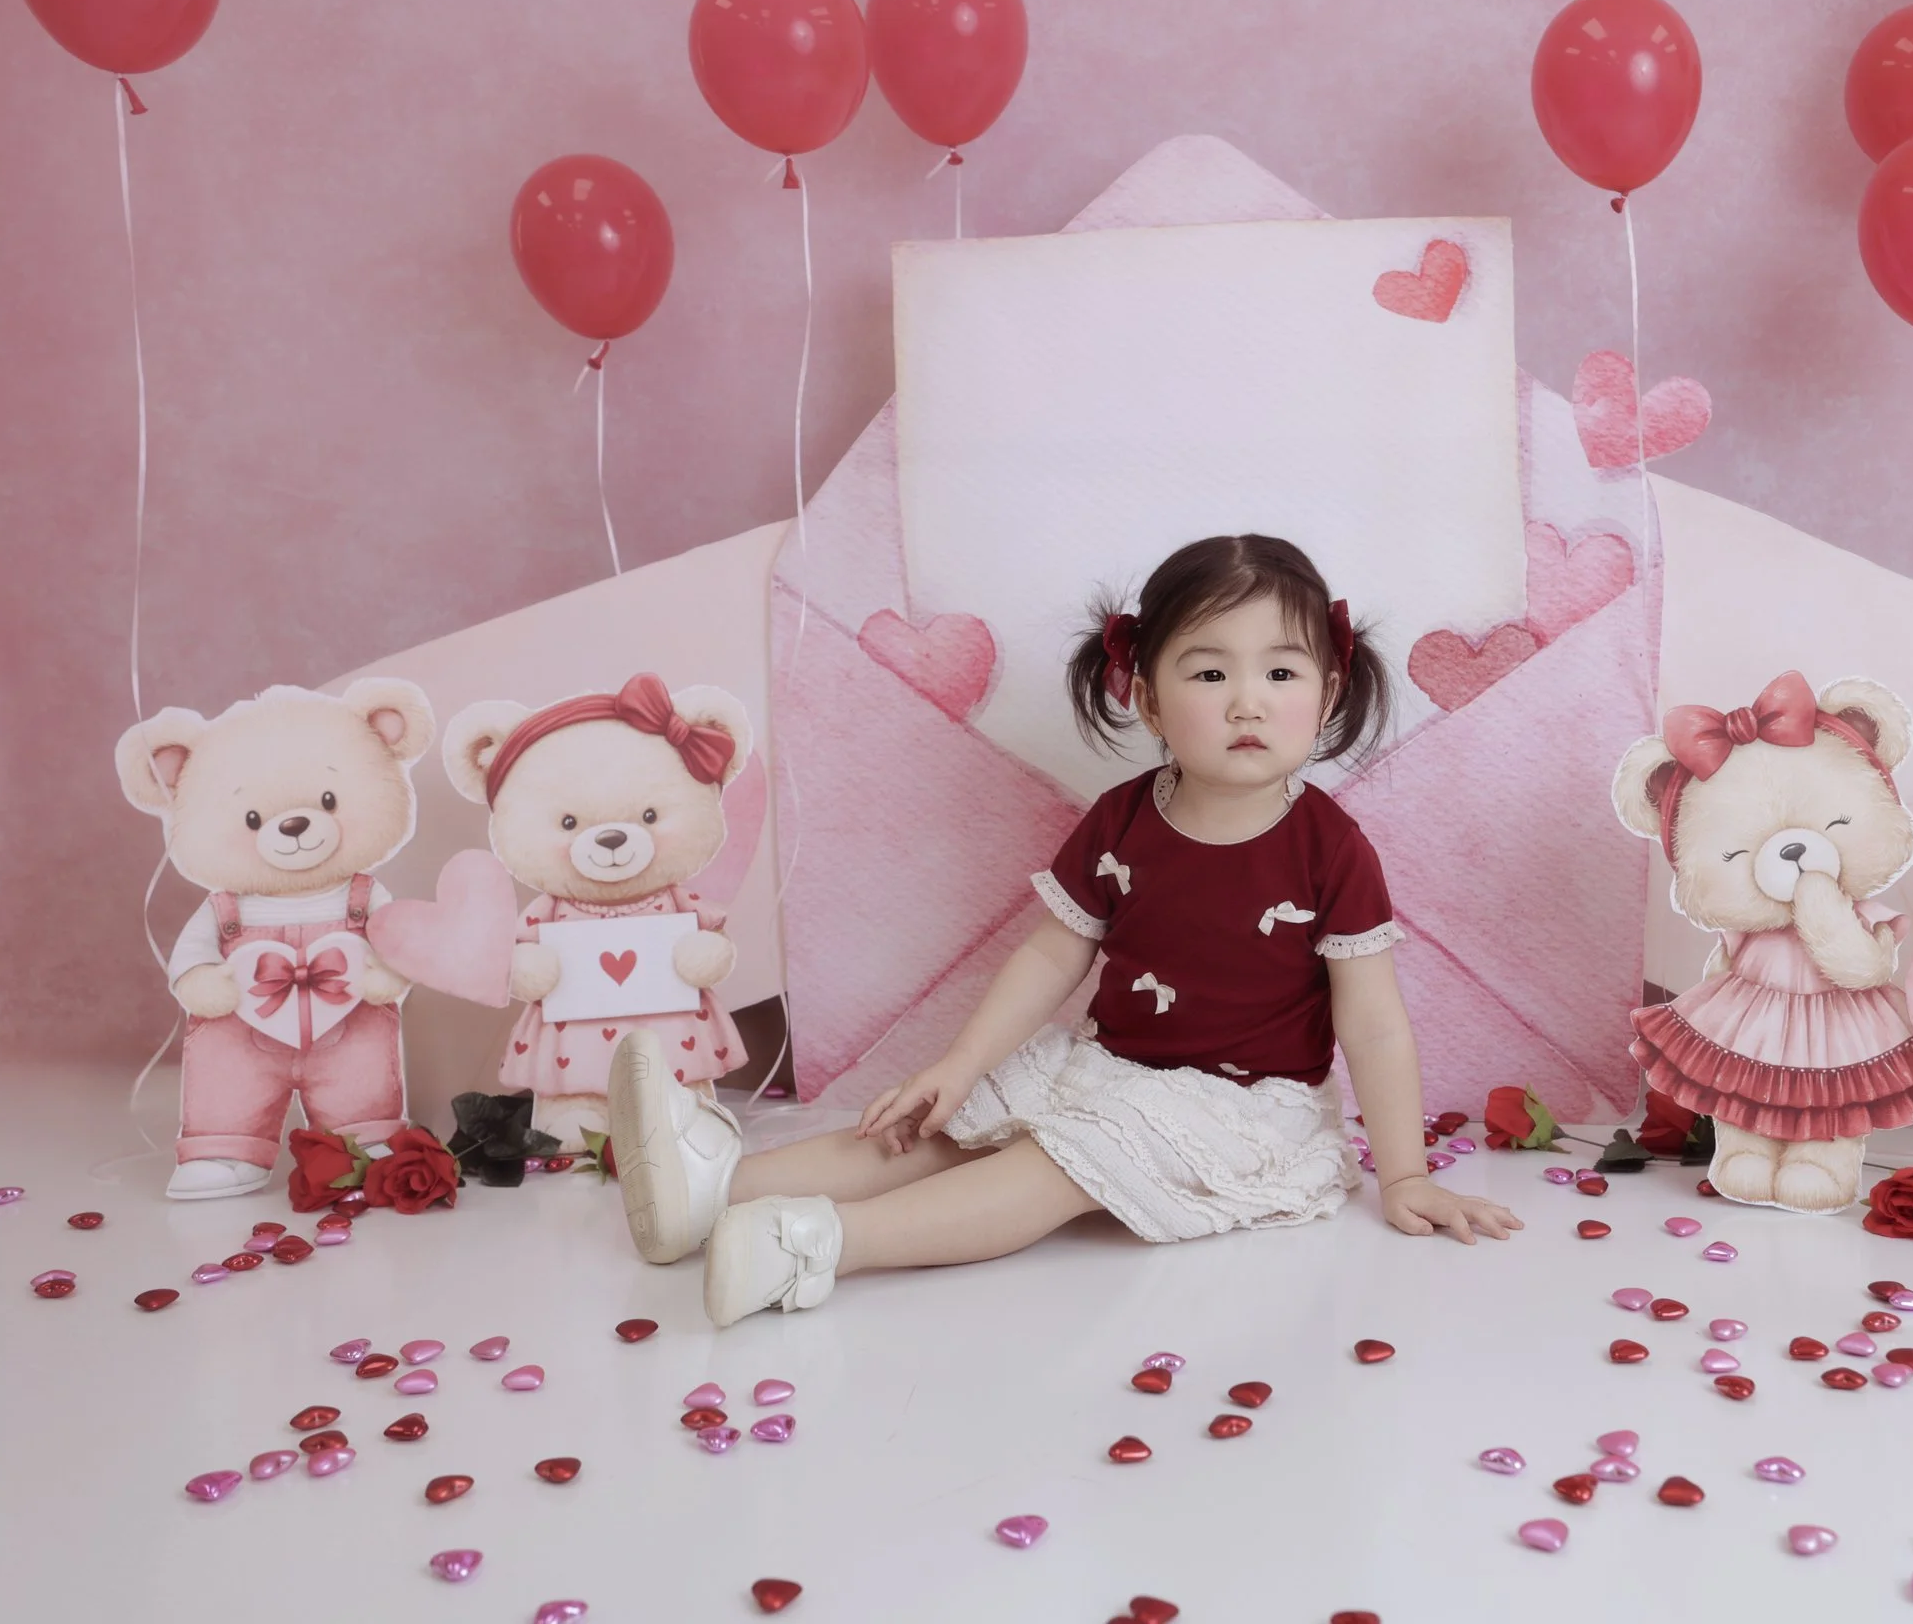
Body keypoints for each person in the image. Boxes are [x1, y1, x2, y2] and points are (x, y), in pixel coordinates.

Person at [605, 532, 1520, 1325]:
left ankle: (816, 1244)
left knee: (1054, 1165)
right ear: (1150, 701)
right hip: (1110, 1068)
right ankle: (714, 1187)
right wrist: (958, 1067)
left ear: (1323, 697)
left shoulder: (1331, 848)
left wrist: (1403, 1174)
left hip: (1241, 1110)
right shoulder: (1125, 817)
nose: (1248, 700)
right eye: (1210, 671)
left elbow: (1373, 1021)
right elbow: (1053, 949)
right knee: (951, 1121)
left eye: (1280, 672)